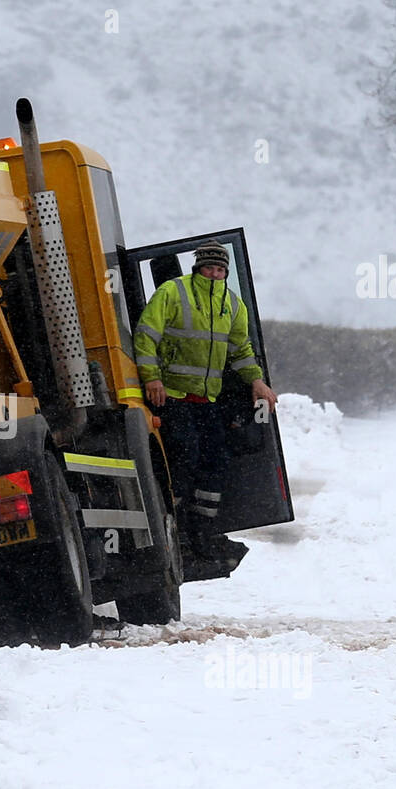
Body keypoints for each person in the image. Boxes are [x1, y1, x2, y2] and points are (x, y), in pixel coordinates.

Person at [133, 241, 278, 565]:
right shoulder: (173, 292)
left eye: (221, 269)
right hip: (173, 397)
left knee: (216, 462)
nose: (215, 274)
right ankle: (175, 528)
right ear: (198, 267)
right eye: (210, 267)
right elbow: (146, 336)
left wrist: (255, 380)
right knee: (184, 460)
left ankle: (202, 531)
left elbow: (240, 350)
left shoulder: (232, 304)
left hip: (208, 400)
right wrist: (152, 378)